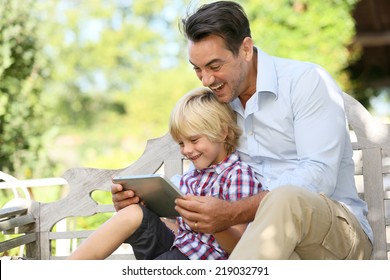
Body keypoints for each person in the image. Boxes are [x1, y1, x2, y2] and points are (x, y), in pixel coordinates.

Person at [112, 1, 373, 259]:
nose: (207, 80)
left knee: (286, 198)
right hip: (260, 243)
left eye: (215, 66)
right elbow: (204, 177)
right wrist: (149, 198)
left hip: (332, 235)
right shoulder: (219, 105)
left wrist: (233, 212)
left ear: (246, 49)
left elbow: (319, 175)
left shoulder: (305, 82)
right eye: (198, 70)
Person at [68, 87, 262, 260]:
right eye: (181, 143)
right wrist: (149, 216)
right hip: (178, 248)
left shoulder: (238, 176)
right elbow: (184, 233)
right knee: (134, 213)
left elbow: (238, 249)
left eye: (194, 140)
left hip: (202, 261)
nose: (186, 150)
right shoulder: (192, 176)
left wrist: (214, 224)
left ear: (223, 133)